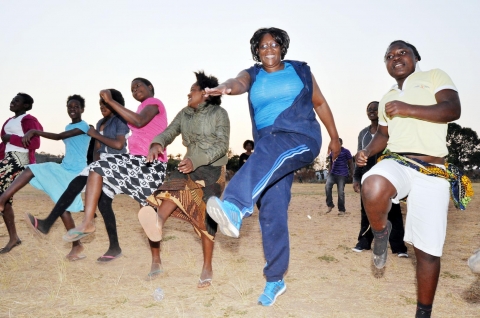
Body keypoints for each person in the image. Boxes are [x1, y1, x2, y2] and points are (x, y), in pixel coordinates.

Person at [204, 27, 341, 306]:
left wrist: (335, 137)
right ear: (257, 50)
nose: (269, 50)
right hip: (269, 145)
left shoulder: (300, 71)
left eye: (274, 45)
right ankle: (275, 278)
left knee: (267, 152)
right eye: (263, 46)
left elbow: (320, 102)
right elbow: (238, 81)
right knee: (272, 210)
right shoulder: (252, 75)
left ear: (282, 48)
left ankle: (235, 205)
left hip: (300, 135)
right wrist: (227, 87)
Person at [356, 40, 466, 318]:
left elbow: (452, 109)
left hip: (433, 170)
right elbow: (383, 135)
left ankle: (423, 312)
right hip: (399, 161)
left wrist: (407, 108)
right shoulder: (386, 97)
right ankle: (381, 233)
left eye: (402, 52)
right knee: (373, 184)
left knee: (427, 251)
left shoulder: (433, 77)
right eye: (389, 56)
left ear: (416, 57)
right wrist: (367, 150)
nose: (395, 57)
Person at [26, 78, 168, 267]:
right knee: (96, 174)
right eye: (132, 88)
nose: (135, 90)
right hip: (136, 165)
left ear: (150, 87)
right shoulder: (123, 116)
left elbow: (138, 123)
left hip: (150, 165)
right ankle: (85, 223)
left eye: (139, 86)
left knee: (148, 212)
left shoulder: (153, 104)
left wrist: (110, 101)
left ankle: (154, 259)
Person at [139, 71, 229, 286]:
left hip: (213, 170)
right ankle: (157, 225)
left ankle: (207, 267)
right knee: (168, 191)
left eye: (193, 90)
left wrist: (196, 160)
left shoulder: (219, 114)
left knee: (208, 216)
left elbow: (222, 145)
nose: (189, 94)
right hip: (188, 166)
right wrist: (157, 143)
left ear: (206, 94)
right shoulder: (185, 114)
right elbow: (168, 132)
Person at [25, 89, 130, 262]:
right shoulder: (100, 122)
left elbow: (119, 144)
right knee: (74, 186)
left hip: (116, 163)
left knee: (104, 204)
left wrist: (95, 135)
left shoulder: (120, 121)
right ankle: (46, 223)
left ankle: (114, 246)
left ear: (115, 104)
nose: (102, 106)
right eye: (100, 104)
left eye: (106, 103)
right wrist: (94, 163)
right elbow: (96, 149)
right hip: (99, 165)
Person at [0, 94, 89, 260]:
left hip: (75, 172)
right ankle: (77, 246)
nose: (73, 110)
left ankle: (2, 199)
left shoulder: (84, 126)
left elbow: (58, 137)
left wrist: (34, 131)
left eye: (76, 107)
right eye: (70, 107)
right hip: (64, 167)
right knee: (33, 171)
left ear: (82, 109)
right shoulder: (69, 125)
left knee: (60, 202)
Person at [351, 101, 408, 257]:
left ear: (381, 111)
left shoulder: (390, 131)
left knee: (394, 212)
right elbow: (359, 156)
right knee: (366, 212)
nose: (371, 111)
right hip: (367, 177)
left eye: (375, 108)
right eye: (368, 109)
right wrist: (356, 177)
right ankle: (364, 243)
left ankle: (398, 247)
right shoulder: (363, 133)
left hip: (388, 176)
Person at [0, 93, 43, 253]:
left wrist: (11, 138)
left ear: (25, 105)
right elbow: (5, 145)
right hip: (7, 158)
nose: (12, 102)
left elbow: (35, 142)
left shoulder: (28, 120)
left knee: (2, 198)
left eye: (16, 101)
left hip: (20, 159)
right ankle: (14, 238)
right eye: (12, 99)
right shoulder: (9, 121)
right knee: (4, 199)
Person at [325, 138, 353, 216]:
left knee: (340, 192)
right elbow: (330, 163)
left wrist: (352, 174)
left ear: (341, 144)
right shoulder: (332, 152)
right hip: (333, 173)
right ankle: (330, 205)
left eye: (338, 143)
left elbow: (350, 163)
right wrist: (329, 172)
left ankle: (342, 210)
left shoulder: (346, 152)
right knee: (327, 187)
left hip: (342, 174)